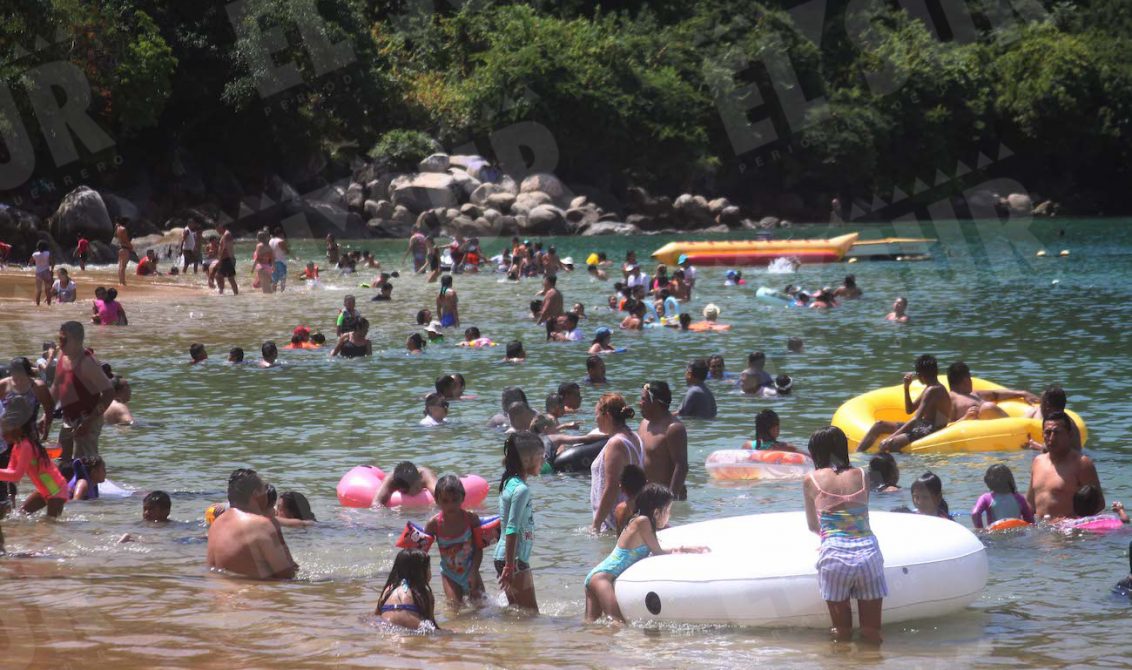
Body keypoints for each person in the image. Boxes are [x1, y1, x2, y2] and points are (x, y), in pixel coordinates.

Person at [802, 426, 886, 644]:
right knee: (872, 634)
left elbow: (813, 526)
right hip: (868, 554)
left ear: (816, 453)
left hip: (835, 557)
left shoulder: (811, 479)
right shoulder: (862, 474)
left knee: (841, 633)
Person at [585, 483, 706, 622]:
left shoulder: (640, 521)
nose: (669, 515)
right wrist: (681, 553)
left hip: (597, 576)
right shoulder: (643, 521)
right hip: (602, 579)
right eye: (668, 510)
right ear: (656, 512)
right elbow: (658, 553)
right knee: (616, 622)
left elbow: (656, 551)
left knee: (590, 626)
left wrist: (684, 549)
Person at [206, 468, 298, 579]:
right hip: (249, 594)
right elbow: (287, 574)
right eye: (264, 489)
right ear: (256, 494)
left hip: (217, 592)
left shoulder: (216, 524)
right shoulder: (262, 525)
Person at [856, 355, 951, 452]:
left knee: (892, 443)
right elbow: (910, 410)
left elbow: (915, 419)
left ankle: (900, 465)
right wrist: (906, 387)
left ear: (920, 375)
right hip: (922, 425)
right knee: (879, 425)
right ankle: (857, 454)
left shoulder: (933, 390)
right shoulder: (931, 388)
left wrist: (891, 437)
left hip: (930, 428)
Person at [51, 321, 114, 461]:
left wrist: (89, 421)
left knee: (85, 464)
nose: (60, 344)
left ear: (76, 341)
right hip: (68, 417)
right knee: (63, 461)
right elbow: (56, 385)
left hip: (88, 418)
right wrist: (47, 415)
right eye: (59, 339)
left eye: (63, 340)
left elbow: (109, 393)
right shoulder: (62, 355)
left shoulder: (88, 363)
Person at [495, 431, 542, 610]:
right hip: (513, 560)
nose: (543, 461)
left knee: (518, 612)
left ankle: (511, 638)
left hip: (507, 557)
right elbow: (511, 528)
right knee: (531, 613)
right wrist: (509, 565)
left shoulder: (508, 482)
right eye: (540, 456)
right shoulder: (521, 489)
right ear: (528, 459)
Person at [0, 396, 69, 518]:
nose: (2, 433)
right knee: (19, 516)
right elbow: (10, 473)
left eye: (4, 430)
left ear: (17, 429)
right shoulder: (17, 446)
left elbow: (17, 475)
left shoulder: (26, 445)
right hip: (44, 489)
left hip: (56, 490)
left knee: (50, 524)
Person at [424, 476, 486, 607]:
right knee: (455, 608)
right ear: (437, 500)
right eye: (445, 501)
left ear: (463, 498)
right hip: (449, 574)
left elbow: (478, 548)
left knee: (482, 607)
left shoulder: (471, 519)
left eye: (455, 500)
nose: (450, 505)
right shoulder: (433, 525)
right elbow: (421, 553)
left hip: (471, 570)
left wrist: (474, 572)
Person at [1026, 411, 1102, 519]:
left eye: (1057, 432)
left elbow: (1098, 505)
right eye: (1047, 432)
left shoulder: (1082, 464)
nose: (1051, 438)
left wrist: (1069, 523)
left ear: (1069, 434)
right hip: (1040, 531)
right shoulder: (1038, 461)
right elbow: (1030, 503)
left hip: (1068, 532)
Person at [590, 394, 644, 533]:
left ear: (607, 415)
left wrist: (596, 524)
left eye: (596, 414)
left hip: (614, 523)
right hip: (628, 515)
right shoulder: (634, 436)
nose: (595, 419)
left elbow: (612, 486)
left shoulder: (616, 443)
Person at [638, 381, 688, 500]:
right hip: (645, 495)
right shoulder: (643, 424)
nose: (640, 403)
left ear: (654, 402)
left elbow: (681, 466)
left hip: (664, 497)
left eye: (643, 399)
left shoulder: (673, 428)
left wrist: (670, 500)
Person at [947, 361, 1038, 421]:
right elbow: (944, 427)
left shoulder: (974, 394)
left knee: (1038, 410)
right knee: (987, 407)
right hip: (974, 432)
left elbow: (995, 394)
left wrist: (1022, 393)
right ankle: (1022, 422)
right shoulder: (950, 399)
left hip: (997, 427)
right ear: (966, 380)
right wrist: (965, 418)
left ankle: (1022, 421)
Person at [376, 549, 439, 630]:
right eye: (429, 568)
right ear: (420, 572)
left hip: (387, 628)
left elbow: (377, 615)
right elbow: (432, 623)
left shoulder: (388, 589)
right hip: (412, 632)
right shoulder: (422, 593)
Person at [0, 357, 54, 442]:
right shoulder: (4, 385)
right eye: (15, 379)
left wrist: (45, 432)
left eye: (22, 378)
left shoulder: (38, 387)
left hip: (29, 434)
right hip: (6, 435)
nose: (19, 382)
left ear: (29, 374)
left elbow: (49, 409)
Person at [971, 464, 1035, 528]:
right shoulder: (1020, 498)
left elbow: (975, 513)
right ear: (1011, 481)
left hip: (995, 534)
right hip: (1017, 533)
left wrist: (980, 530)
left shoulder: (986, 498)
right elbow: (1030, 521)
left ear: (987, 481)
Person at [1024, 385, 1082, 451]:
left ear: (1047, 406)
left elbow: (1061, 453)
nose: (1040, 407)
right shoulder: (1065, 420)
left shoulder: (1059, 426)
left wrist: (1037, 447)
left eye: (1041, 404)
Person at [612, 465, 647, 534]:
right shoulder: (652, 504)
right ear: (645, 483)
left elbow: (620, 537)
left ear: (622, 487)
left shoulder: (620, 508)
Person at [215, 222, 238, 295]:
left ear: (221, 227)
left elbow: (225, 248)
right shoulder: (225, 234)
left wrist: (220, 260)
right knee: (220, 276)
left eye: (217, 229)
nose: (217, 231)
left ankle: (234, 294)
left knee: (228, 278)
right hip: (227, 259)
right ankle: (222, 292)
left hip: (227, 259)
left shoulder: (226, 234)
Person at [30, 240, 53, 306]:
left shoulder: (35, 254)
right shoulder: (48, 253)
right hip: (46, 272)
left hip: (38, 273)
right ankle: (49, 304)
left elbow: (30, 263)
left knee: (38, 290)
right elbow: (52, 261)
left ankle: (37, 304)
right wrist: (52, 270)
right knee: (47, 290)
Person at [269, 227, 289, 292]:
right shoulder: (280, 241)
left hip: (273, 263)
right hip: (281, 262)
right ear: (281, 234)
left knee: (274, 280)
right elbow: (286, 251)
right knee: (283, 280)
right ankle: (282, 294)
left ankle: (273, 294)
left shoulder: (270, 241)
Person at [114, 218, 132, 286]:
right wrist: (131, 246)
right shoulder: (123, 229)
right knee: (123, 267)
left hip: (121, 248)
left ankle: (121, 281)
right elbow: (126, 240)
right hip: (125, 249)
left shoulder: (117, 229)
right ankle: (123, 282)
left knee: (120, 266)